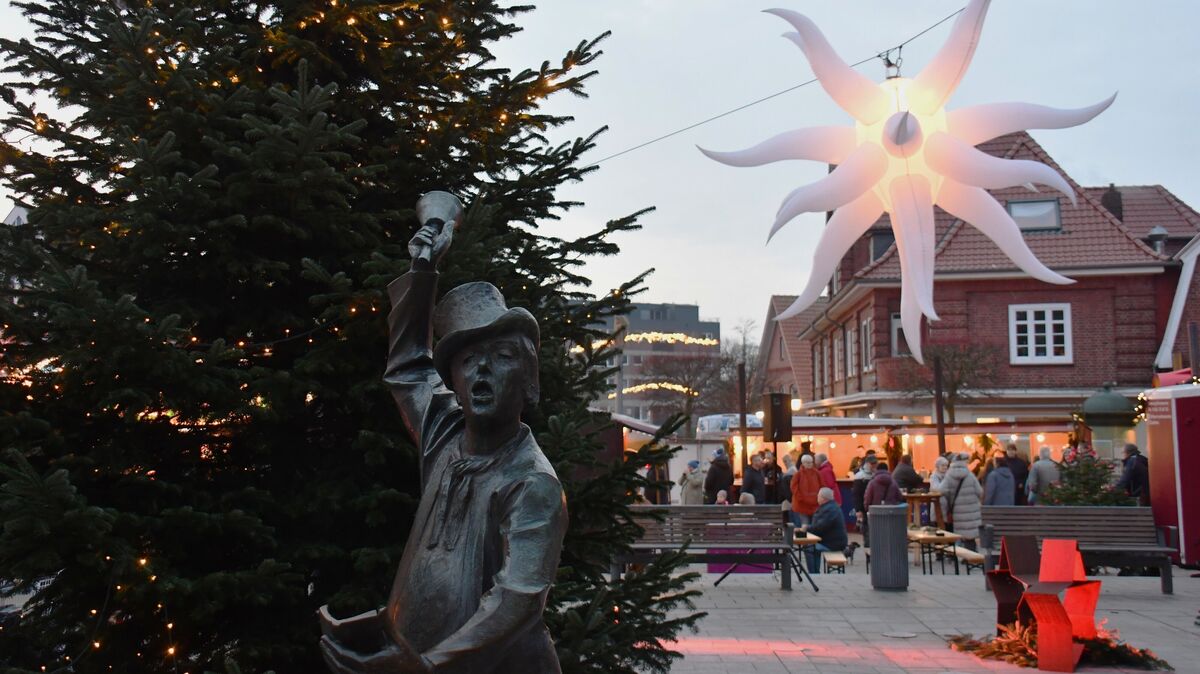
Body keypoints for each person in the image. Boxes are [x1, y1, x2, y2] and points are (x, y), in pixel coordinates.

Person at [320, 196, 567, 673]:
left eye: (502, 357)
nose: (482, 372)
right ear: (453, 377)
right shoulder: (444, 436)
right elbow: (409, 365)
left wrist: (429, 667)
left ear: (530, 381)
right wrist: (423, 270)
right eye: (468, 360)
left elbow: (517, 601)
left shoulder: (532, 482)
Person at [798, 487, 848, 574]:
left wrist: (806, 528)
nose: (817, 498)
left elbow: (819, 528)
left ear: (823, 498)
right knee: (810, 545)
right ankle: (814, 572)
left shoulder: (829, 510)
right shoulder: (829, 507)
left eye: (818, 496)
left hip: (832, 543)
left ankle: (814, 574)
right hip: (830, 540)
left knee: (809, 548)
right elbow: (818, 527)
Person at [940, 452, 984, 550]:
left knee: (960, 533)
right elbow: (980, 492)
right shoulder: (970, 475)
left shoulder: (949, 475)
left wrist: (950, 495)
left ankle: (961, 553)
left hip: (957, 510)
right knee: (970, 535)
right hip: (972, 510)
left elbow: (941, 490)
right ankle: (971, 555)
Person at [790, 454, 822, 527]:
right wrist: (801, 499)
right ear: (803, 463)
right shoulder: (797, 475)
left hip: (814, 505)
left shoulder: (817, 473)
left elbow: (822, 486)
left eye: (811, 462)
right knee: (804, 527)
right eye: (808, 462)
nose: (810, 464)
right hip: (802, 506)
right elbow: (794, 489)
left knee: (814, 527)